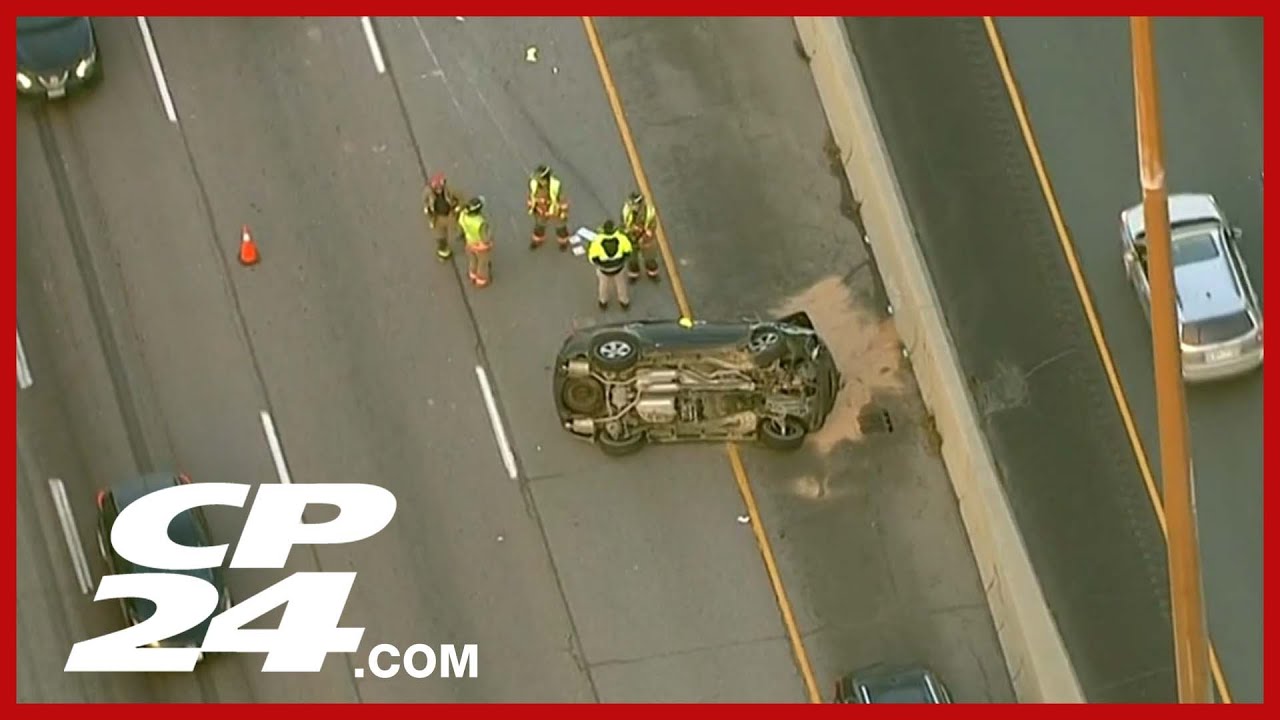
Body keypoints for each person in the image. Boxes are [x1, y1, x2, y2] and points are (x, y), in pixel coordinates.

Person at [588, 220, 634, 310]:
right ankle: (624, 301)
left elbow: (592, 258)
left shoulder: (597, 241)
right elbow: (628, 251)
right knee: (621, 284)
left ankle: (603, 302)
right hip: (618, 267)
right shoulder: (621, 238)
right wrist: (622, 260)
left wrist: (600, 264)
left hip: (604, 269)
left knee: (603, 285)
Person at [526, 164, 571, 251]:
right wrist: (531, 207)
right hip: (541, 210)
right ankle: (537, 241)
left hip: (555, 210)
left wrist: (563, 213)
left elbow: (562, 200)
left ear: (545, 179)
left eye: (540, 179)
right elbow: (532, 196)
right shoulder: (534, 183)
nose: (538, 181)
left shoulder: (555, 186)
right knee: (539, 226)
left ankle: (563, 242)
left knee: (560, 227)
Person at [622, 191, 661, 282]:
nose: (632, 206)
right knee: (632, 259)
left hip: (645, 239)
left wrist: (646, 234)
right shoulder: (626, 210)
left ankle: (652, 273)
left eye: (634, 205)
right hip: (631, 239)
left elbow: (652, 225)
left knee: (649, 258)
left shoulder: (649, 211)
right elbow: (624, 223)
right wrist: (631, 229)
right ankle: (634, 274)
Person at [423, 172, 463, 260]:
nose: (439, 190)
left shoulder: (449, 190)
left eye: (440, 187)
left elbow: (459, 197)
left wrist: (458, 207)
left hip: (450, 215)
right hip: (438, 218)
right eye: (437, 188)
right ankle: (443, 251)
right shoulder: (428, 193)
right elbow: (426, 203)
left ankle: (463, 235)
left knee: (458, 227)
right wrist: (428, 212)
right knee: (440, 236)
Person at [457, 196, 493, 288]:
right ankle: (481, 280)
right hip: (480, 246)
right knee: (482, 263)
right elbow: (485, 238)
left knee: (472, 260)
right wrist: (489, 241)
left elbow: (461, 227)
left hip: (469, 242)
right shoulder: (480, 222)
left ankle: (472, 275)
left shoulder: (463, 215)